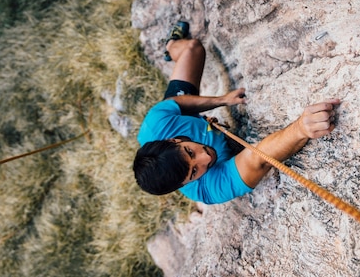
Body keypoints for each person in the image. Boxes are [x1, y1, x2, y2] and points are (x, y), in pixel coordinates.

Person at [133, 21, 341, 204]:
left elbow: (178, 104)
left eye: (190, 152)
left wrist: (222, 100)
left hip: (181, 117)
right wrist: (301, 129)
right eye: (194, 171)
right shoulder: (208, 189)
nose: (205, 157)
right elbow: (256, 160)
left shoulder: (156, 125)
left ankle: (171, 46)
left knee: (193, 48)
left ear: (173, 141)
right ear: (184, 184)